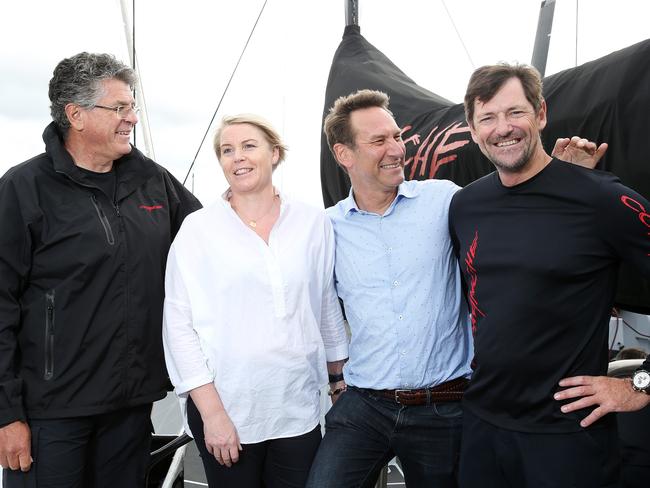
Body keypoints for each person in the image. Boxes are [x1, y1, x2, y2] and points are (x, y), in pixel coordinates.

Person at [306, 89, 608, 488]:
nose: (397, 148)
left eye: (397, 136)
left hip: (444, 406)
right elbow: (315, 302)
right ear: (344, 154)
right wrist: (334, 377)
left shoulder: (444, 199)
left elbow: (514, 221)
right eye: (379, 141)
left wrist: (566, 180)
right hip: (364, 405)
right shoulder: (325, 227)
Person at [0, 52, 201, 487]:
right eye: (120, 108)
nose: (131, 117)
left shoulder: (153, 180)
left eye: (133, 107)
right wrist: (7, 415)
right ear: (76, 115)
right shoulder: (22, 189)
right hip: (50, 415)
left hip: (131, 408)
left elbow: (213, 244)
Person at [448, 62, 650, 488]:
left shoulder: (603, 200)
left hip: (567, 440)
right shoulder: (466, 205)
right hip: (483, 430)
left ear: (540, 114)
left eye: (514, 112)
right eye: (487, 117)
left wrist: (638, 383)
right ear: (472, 129)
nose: (502, 128)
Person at [162, 114, 349, 488]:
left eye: (249, 146)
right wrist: (213, 415)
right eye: (227, 151)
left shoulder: (313, 222)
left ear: (275, 154)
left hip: (297, 407)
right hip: (229, 410)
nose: (237, 157)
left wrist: (339, 382)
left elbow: (324, 304)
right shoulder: (198, 230)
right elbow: (178, 326)